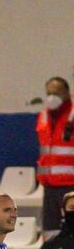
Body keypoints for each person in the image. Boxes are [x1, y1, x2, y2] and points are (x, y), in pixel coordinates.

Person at [36, 77, 74, 235]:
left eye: (56, 93)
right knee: (50, 232)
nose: (51, 97)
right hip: (49, 186)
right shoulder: (43, 116)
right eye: (49, 93)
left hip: (71, 186)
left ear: (66, 93)